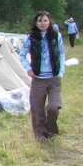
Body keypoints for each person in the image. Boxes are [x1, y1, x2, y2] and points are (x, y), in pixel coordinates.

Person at [20, 11, 66, 141]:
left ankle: (51, 129)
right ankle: (41, 134)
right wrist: (28, 69)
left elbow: (62, 54)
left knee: (53, 107)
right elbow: (22, 55)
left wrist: (60, 73)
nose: (43, 23)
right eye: (40, 21)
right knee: (37, 108)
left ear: (49, 21)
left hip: (54, 78)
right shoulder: (31, 38)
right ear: (36, 23)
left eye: (45, 20)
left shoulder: (56, 36)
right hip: (38, 79)